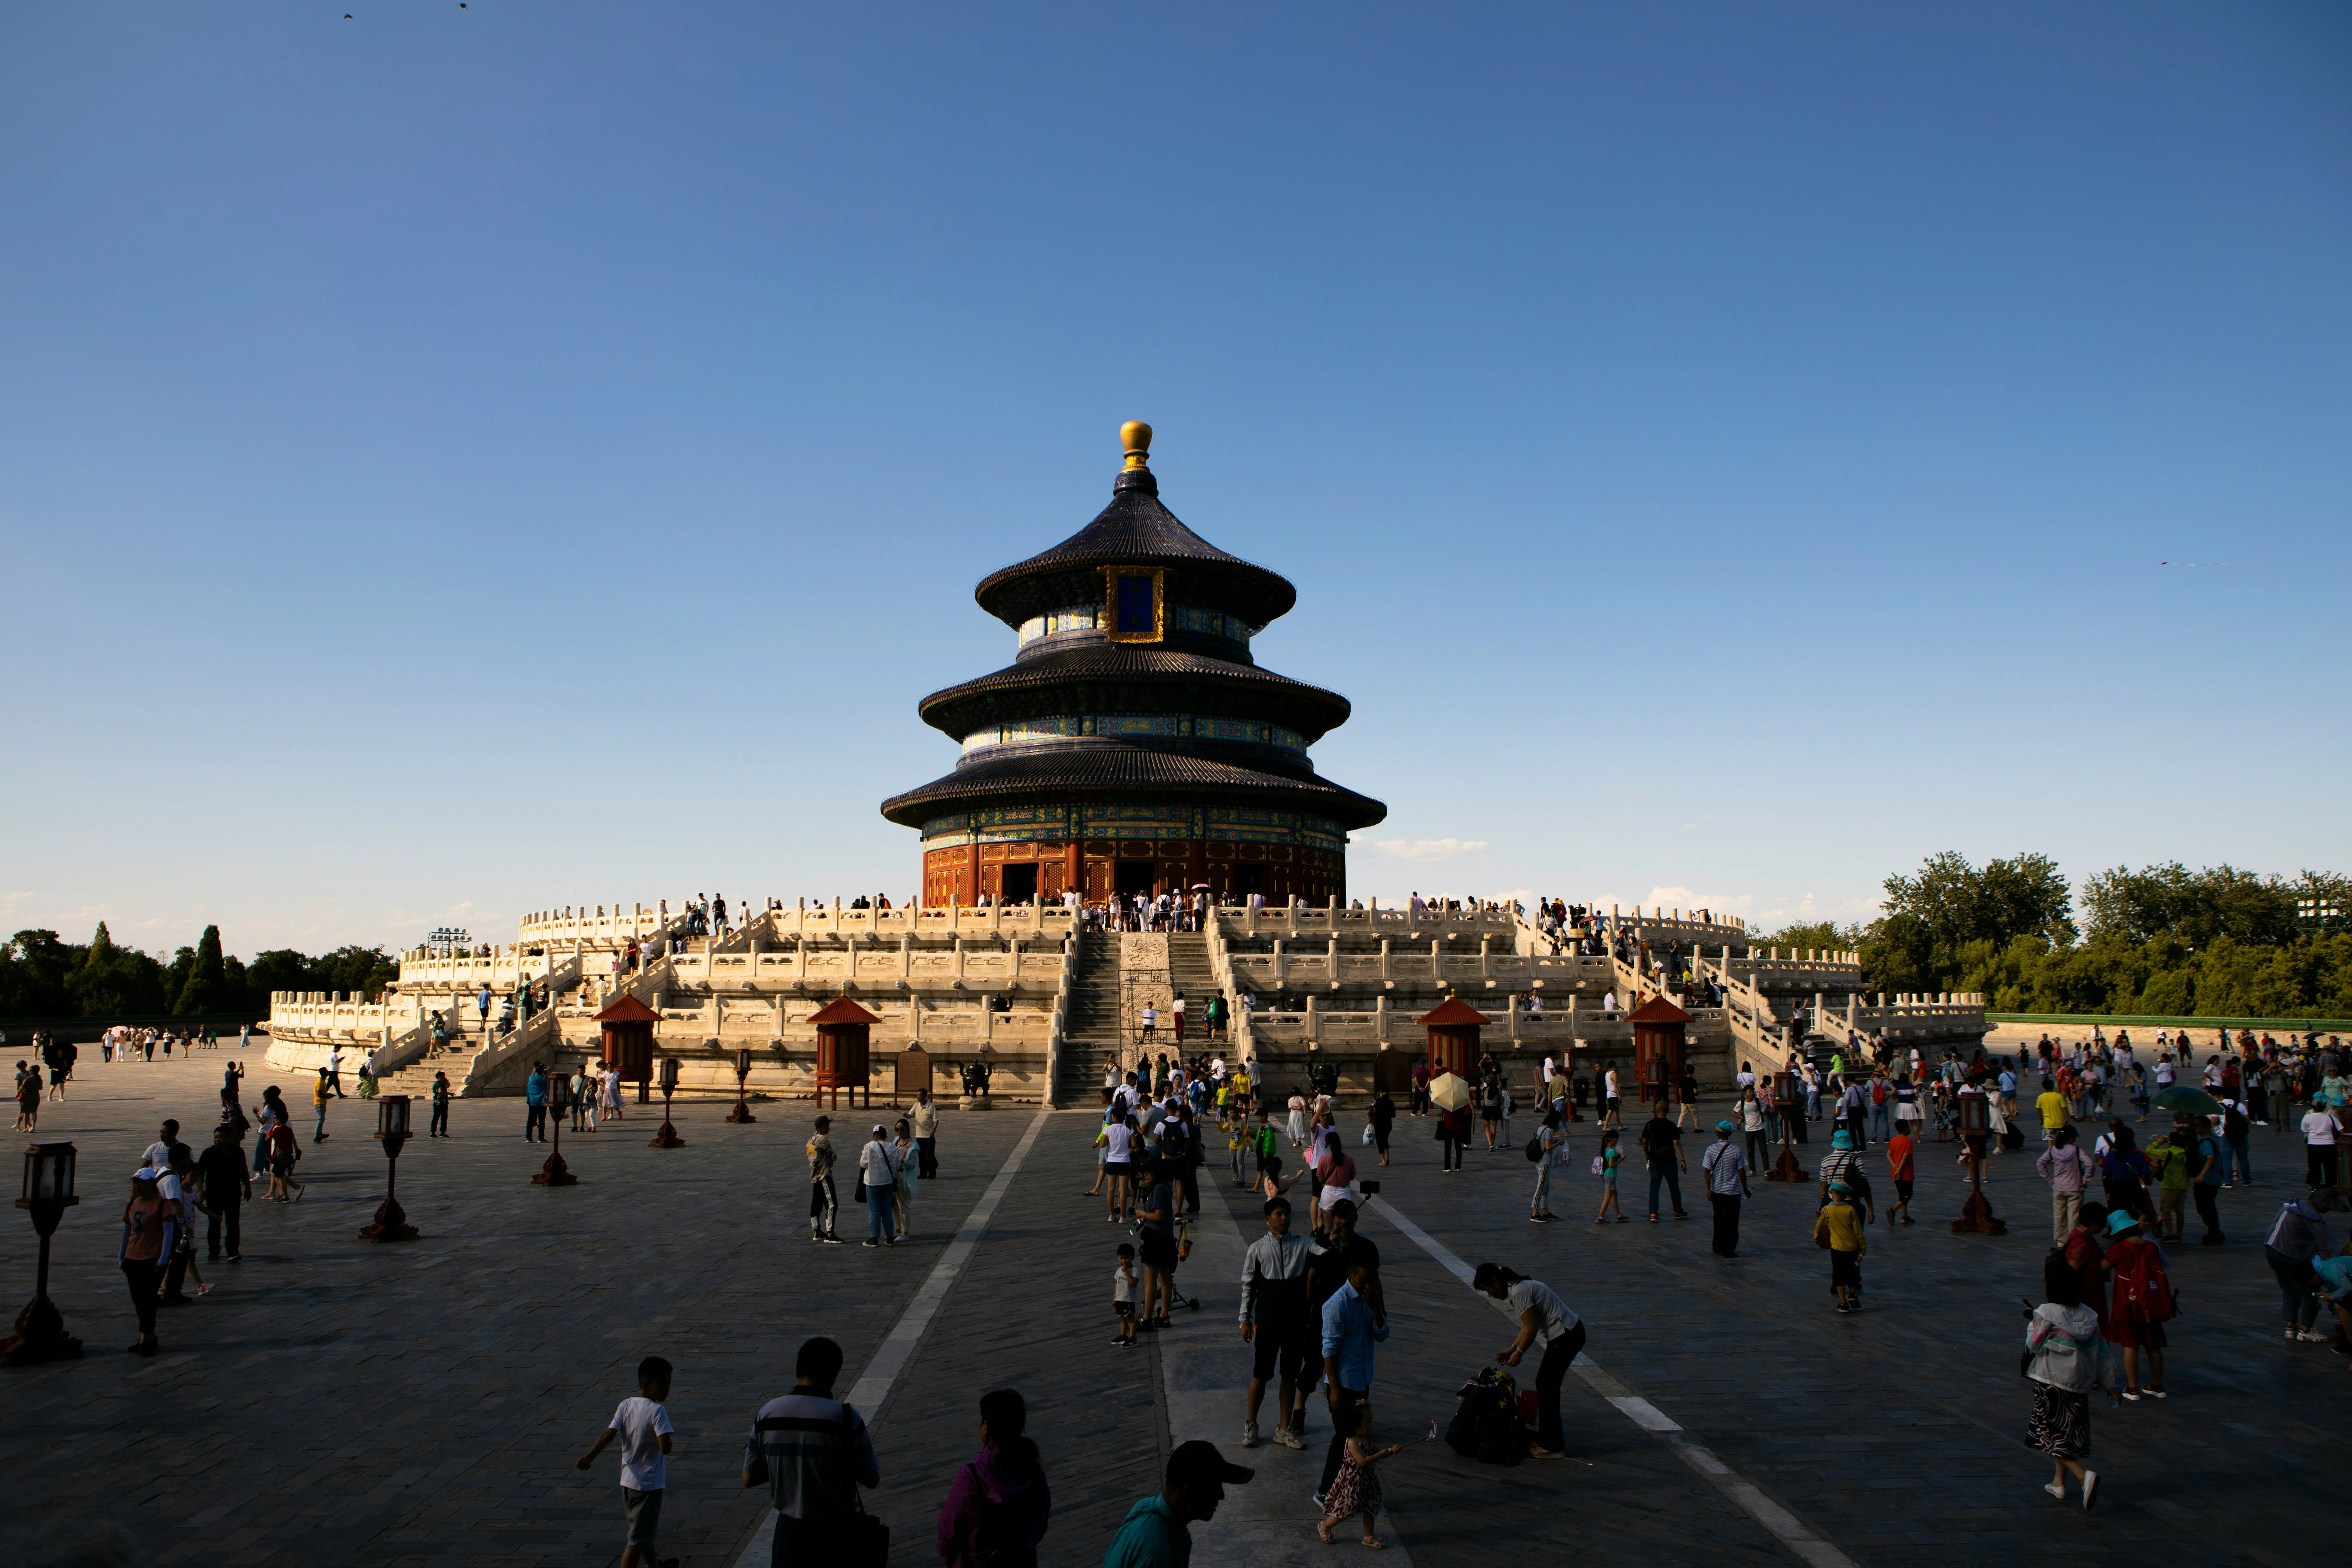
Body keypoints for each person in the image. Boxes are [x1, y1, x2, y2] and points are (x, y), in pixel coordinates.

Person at [743, 1336, 880, 1568]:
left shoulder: (768, 1414)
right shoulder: (845, 1419)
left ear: (797, 1369)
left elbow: (749, 1477)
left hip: (787, 1532)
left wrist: (790, 1462)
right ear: (834, 1375)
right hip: (835, 1534)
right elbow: (871, 1478)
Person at [576, 1355, 678, 1568]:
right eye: (662, 1385)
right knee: (637, 1540)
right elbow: (665, 1448)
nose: (666, 1389)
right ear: (645, 1385)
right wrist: (664, 1435)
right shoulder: (657, 1411)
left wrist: (589, 1457)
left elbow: (609, 1435)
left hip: (628, 1482)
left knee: (642, 1531)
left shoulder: (626, 1405)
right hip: (649, 1486)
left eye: (669, 1384)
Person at [1475, 1262, 1582, 1459]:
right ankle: (1549, 1440)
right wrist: (1512, 1348)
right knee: (1546, 1384)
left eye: (1488, 1289)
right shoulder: (1516, 1288)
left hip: (1567, 1335)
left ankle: (1553, 1445)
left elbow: (1532, 1329)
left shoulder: (1518, 1292)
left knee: (1546, 1385)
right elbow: (1526, 1326)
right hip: (1565, 1335)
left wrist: (1520, 1353)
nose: (1490, 1295)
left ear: (1495, 1281)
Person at [938, 1387, 1052, 1568]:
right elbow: (1040, 1520)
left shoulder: (970, 1477)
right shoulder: (1033, 1469)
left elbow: (948, 1531)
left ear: (987, 1427)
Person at [2025, 1253, 2103, 1509]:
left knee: (2048, 1433)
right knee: (2066, 1432)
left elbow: (2033, 1344)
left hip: (2051, 1380)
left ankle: (2084, 1476)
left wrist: (2032, 1323)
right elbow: (2102, 1351)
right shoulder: (2089, 1315)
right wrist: (2111, 1384)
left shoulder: (2046, 1312)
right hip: (2079, 1383)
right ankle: (2058, 1482)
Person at [1100, 1440, 1252, 1568]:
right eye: (1215, 1487)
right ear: (1190, 1493)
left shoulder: (1148, 1508)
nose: (1222, 1496)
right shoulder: (1156, 1551)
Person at [1239, 1195, 1315, 1449]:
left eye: (1287, 1214)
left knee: (1289, 1375)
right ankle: (1251, 1424)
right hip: (1268, 1322)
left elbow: (1324, 1254)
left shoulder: (1304, 1244)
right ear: (1267, 1219)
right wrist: (1245, 1319)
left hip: (1295, 1323)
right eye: (1279, 1214)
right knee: (1261, 1374)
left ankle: (1283, 1429)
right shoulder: (1257, 1249)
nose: (1284, 1218)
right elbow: (1248, 1286)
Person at [1316, 1252, 1388, 1507]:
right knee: (1345, 1438)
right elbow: (1329, 1348)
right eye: (1364, 1278)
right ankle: (1325, 1490)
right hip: (1343, 1383)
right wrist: (1334, 1387)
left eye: (1372, 1279)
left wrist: (1376, 1308)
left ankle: (1345, 1489)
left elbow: (1382, 1334)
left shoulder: (1368, 1300)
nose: (1368, 1284)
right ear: (1352, 1274)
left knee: (1355, 1438)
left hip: (1361, 1380)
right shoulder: (1338, 1303)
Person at [2100, 1210, 2171, 1400]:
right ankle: (2157, 1386)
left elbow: (2103, 1268)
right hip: (2151, 1303)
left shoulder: (2120, 1249)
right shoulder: (2151, 1247)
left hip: (2128, 1304)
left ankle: (2132, 1388)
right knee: (2153, 1345)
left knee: (2131, 1345)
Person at [1316, 1400, 1400, 1547]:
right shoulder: (1352, 1443)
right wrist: (1381, 1455)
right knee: (1345, 1510)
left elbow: (1376, 1451)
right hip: (1353, 1483)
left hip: (1367, 1481)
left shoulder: (1366, 1439)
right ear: (1355, 1425)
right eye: (1367, 1423)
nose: (1371, 1426)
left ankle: (1369, 1536)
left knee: (1370, 1508)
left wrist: (1390, 1452)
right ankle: (1325, 1525)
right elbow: (1364, 1461)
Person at [2261, 1189, 2338, 1342]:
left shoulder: (2291, 1206)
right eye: (2328, 1206)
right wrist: (2331, 1271)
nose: (2329, 1211)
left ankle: (2290, 1328)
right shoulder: (2312, 1217)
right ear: (2320, 1203)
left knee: (2290, 1289)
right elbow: (2325, 1247)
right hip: (2291, 1257)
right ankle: (2306, 1330)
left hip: (2272, 1251)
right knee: (2310, 1291)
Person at [119, 1167, 180, 1357]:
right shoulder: (134, 1204)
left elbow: (169, 1233)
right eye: (136, 1183)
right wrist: (122, 1256)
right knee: (138, 1299)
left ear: (152, 1184)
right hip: (132, 1258)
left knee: (147, 1299)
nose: (138, 1186)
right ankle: (148, 1336)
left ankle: (147, 1337)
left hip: (152, 1259)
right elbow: (127, 1231)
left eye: (142, 1183)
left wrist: (164, 1258)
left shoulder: (162, 1205)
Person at [195, 1124, 250, 1264]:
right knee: (214, 1222)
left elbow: (244, 1171)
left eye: (220, 1137)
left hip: (233, 1193)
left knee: (233, 1224)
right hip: (214, 1194)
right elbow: (201, 1173)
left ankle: (233, 1252)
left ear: (229, 1138)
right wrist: (201, 1189)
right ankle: (213, 1251)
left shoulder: (238, 1152)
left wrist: (248, 1188)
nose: (217, 1140)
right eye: (215, 1137)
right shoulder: (208, 1153)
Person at [1815, 1180, 1867, 1312]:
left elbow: (1818, 1229)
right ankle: (1853, 1294)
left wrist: (1819, 1239)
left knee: (1839, 1275)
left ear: (1832, 1192)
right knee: (1853, 1272)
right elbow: (1858, 1232)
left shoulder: (1827, 1210)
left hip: (1837, 1248)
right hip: (1853, 1247)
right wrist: (1863, 1247)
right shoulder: (1851, 1210)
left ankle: (1843, 1303)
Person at [1701, 1118, 1751, 1256]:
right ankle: (1729, 1249)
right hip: (1733, 1192)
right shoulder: (1736, 1150)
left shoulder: (1710, 1150)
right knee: (1732, 1221)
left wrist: (1708, 1189)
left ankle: (1717, 1245)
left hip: (1717, 1191)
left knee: (1718, 1219)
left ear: (1717, 1133)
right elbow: (1741, 1171)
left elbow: (1707, 1171)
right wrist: (1745, 1189)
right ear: (1730, 1134)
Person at [2039, 1127, 2092, 1245]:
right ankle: (2073, 1240)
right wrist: (2086, 1179)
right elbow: (2090, 1164)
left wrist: (2048, 1178)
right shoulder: (2077, 1151)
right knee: (2074, 1216)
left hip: (2058, 1187)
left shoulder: (2053, 1150)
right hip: (2075, 1188)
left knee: (2059, 1215)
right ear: (2071, 1138)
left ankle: (2061, 1241)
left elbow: (2041, 1163)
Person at [1639, 1103, 1688, 1221]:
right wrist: (1683, 1160)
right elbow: (1676, 1143)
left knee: (1655, 1186)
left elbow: (1645, 1142)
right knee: (1674, 1186)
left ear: (1656, 1111)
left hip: (1655, 1159)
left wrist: (1647, 1154)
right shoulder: (1672, 1125)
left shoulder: (1650, 1124)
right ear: (1669, 1111)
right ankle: (1677, 1210)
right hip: (1669, 1159)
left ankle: (1653, 1213)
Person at [859, 1124, 899, 1247]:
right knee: (887, 1210)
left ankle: (874, 1238)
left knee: (874, 1211)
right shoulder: (892, 1148)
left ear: (874, 1135)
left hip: (872, 1182)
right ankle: (890, 1238)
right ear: (885, 1135)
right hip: (888, 1182)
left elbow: (863, 1164)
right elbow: (897, 1165)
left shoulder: (869, 1147)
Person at [807, 1116, 842, 1244]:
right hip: (824, 1175)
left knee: (816, 1204)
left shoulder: (810, 1141)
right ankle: (830, 1234)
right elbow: (834, 1156)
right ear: (823, 1127)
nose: (829, 1128)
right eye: (828, 1125)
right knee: (832, 1204)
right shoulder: (823, 1139)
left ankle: (817, 1231)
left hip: (814, 1177)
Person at [1529, 1109, 1565, 1223]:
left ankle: (1546, 1211)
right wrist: (1559, 1143)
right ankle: (1535, 1213)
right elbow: (1548, 1148)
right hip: (1545, 1161)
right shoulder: (1549, 1131)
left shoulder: (1541, 1128)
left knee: (1546, 1188)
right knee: (1541, 1188)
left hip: (1540, 1160)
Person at [1885, 1121, 1916, 1225]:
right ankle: (1893, 1210)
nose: (1910, 1129)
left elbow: (1889, 1154)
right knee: (1908, 1195)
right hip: (1906, 1173)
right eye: (1908, 1127)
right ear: (1905, 1130)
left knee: (1902, 1195)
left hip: (1895, 1173)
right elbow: (1905, 1157)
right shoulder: (1908, 1141)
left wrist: (1894, 1166)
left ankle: (1905, 1216)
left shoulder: (1893, 1141)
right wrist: (1900, 1170)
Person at [1595, 1128, 1626, 1224]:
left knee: (1615, 1194)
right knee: (1608, 1196)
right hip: (1610, 1176)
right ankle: (1601, 1217)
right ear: (1612, 1140)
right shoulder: (1612, 1151)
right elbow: (1612, 1165)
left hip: (1605, 1174)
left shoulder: (1606, 1150)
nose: (1617, 1142)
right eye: (1616, 1140)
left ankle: (1619, 1215)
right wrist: (1622, 1159)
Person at [1112, 1242, 1139, 1348]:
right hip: (1120, 1299)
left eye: (1127, 1258)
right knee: (1122, 1319)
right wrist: (1115, 1298)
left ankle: (1133, 1339)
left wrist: (1126, 1273)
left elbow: (1132, 1283)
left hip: (1128, 1300)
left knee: (1131, 1320)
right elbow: (1117, 1284)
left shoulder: (1134, 1270)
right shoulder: (1119, 1271)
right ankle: (1123, 1336)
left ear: (1132, 1258)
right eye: (1121, 1258)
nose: (1124, 1261)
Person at [912, 1087, 939, 1179]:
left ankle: (932, 1173)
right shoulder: (916, 1106)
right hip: (919, 1136)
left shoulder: (931, 1107)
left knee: (930, 1155)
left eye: (920, 1096)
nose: (918, 1098)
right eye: (917, 1096)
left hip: (929, 1136)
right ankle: (923, 1173)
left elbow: (936, 1120)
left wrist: (934, 1130)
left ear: (925, 1096)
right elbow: (910, 1115)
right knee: (921, 1156)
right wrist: (906, 1115)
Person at [525, 1063, 550, 1143]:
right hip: (541, 1102)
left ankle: (529, 1137)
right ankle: (541, 1138)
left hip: (532, 1102)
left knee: (530, 1120)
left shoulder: (531, 1078)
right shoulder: (544, 1080)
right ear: (542, 1071)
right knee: (542, 1121)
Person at [312, 1068, 333, 1143]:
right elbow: (320, 1094)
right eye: (327, 1071)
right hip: (319, 1103)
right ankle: (317, 1136)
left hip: (322, 1103)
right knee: (321, 1119)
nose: (328, 1072)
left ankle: (320, 1134)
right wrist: (328, 1096)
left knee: (322, 1119)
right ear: (324, 1073)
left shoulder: (323, 1082)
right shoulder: (320, 1083)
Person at [429, 1071, 451, 1138]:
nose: (445, 1077)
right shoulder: (441, 1084)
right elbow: (441, 1091)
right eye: (443, 1076)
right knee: (444, 1117)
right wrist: (449, 1093)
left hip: (436, 1102)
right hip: (442, 1102)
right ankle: (443, 1132)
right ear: (439, 1077)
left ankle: (433, 1132)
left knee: (436, 1117)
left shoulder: (436, 1083)